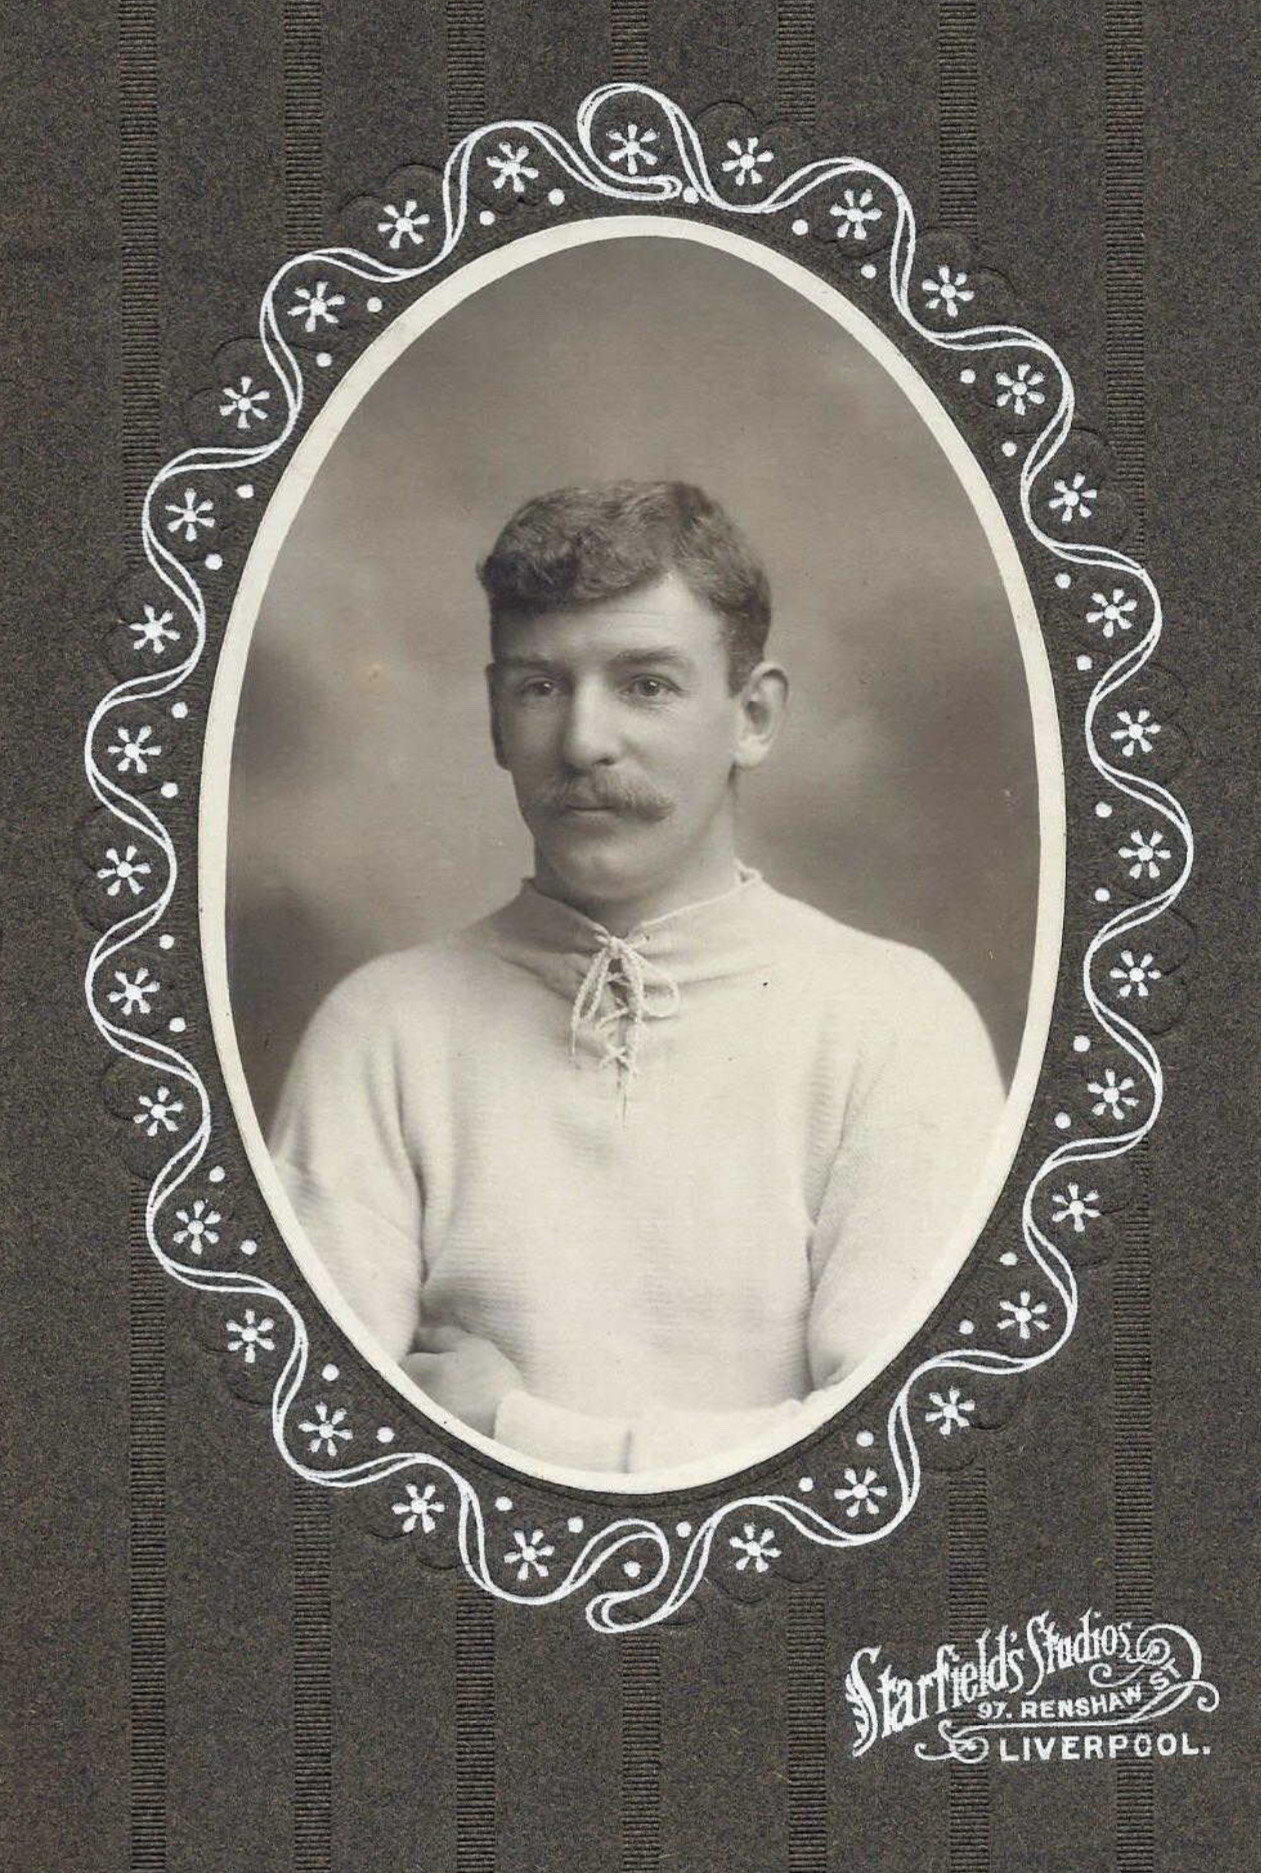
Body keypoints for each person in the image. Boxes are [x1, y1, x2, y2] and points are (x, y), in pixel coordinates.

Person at [269, 480, 1005, 1474]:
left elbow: (905, 1456)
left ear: (752, 716)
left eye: (646, 684)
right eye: (540, 687)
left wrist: (516, 1429)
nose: (583, 742)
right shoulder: (379, 1033)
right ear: (494, 718)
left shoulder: (897, 1023)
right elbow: (314, 1455)